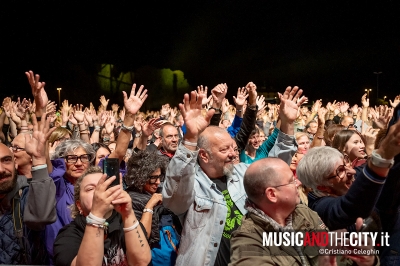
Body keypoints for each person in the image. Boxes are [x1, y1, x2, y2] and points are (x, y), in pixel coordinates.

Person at [162, 85, 306, 266]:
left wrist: (287, 123)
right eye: (224, 149)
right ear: (204, 155)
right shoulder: (193, 183)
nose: (233, 153)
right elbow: (173, 199)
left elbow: (276, 169)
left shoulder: (243, 172)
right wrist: (190, 138)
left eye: (233, 147)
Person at [229, 157, 375, 266]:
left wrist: (366, 260)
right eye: (291, 181)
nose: (298, 183)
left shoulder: (304, 213)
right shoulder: (248, 240)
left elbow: (339, 260)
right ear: (272, 194)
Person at [297, 122, 400, 231]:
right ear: (323, 187)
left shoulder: (346, 179)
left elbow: (385, 172)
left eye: (346, 162)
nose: (352, 171)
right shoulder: (320, 207)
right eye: (340, 170)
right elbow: (350, 207)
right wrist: (382, 156)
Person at [53, 166, 151, 266]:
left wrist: (128, 214)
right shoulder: (68, 236)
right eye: (90, 189)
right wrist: (97, 215)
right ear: (79, 206)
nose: (99, 193)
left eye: (105, 186)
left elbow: (141, 262)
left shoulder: (126, 223)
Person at [0, 114, 57, 265]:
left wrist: (38, 159)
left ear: (15, 164)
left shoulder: (25, 194)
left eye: (6, 161)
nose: (1, 169)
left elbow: (42, 216)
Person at [125, 150, 180, 265]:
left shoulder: (160, 192)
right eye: (153, 178)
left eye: (159, 176)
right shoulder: (131, 200)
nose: (158, 182)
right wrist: (150, 205)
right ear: (140, 176)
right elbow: (142, 236)